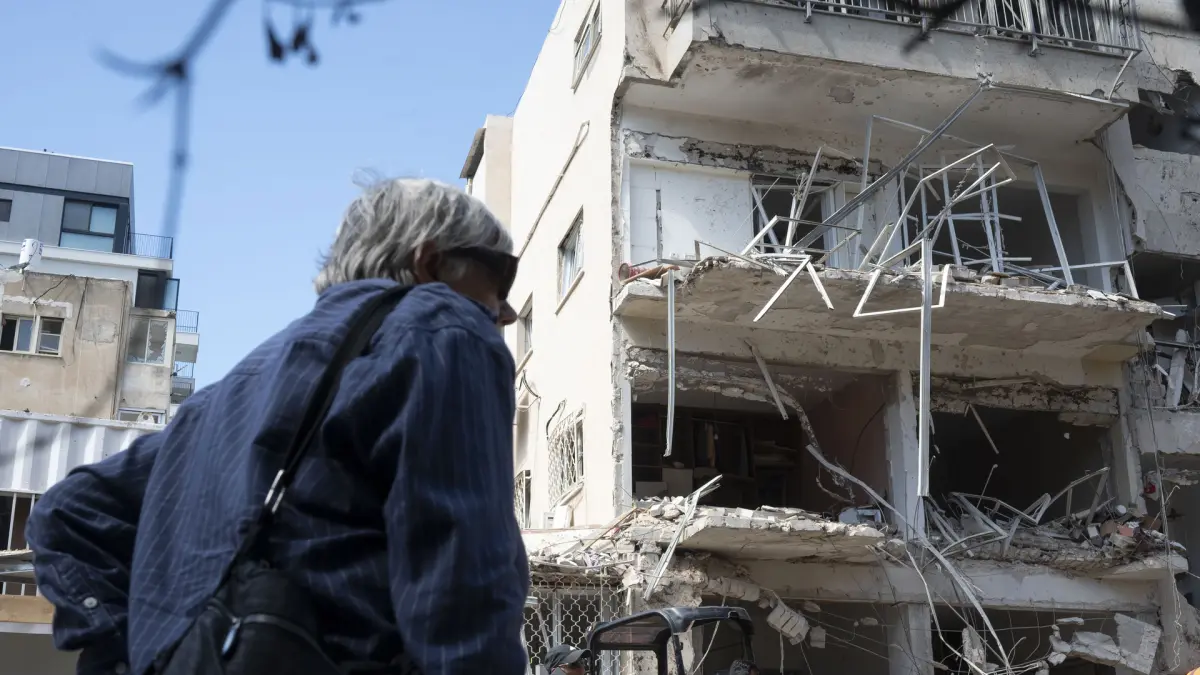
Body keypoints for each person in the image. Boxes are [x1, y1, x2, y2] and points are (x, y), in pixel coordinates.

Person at [26, 178, 530, 675]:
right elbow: (462, 586)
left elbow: (69, 511)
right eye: (501, 278)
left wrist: (124, 650)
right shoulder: (443, 326)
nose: (506, 311)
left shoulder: (227, 396)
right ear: (430, 261)